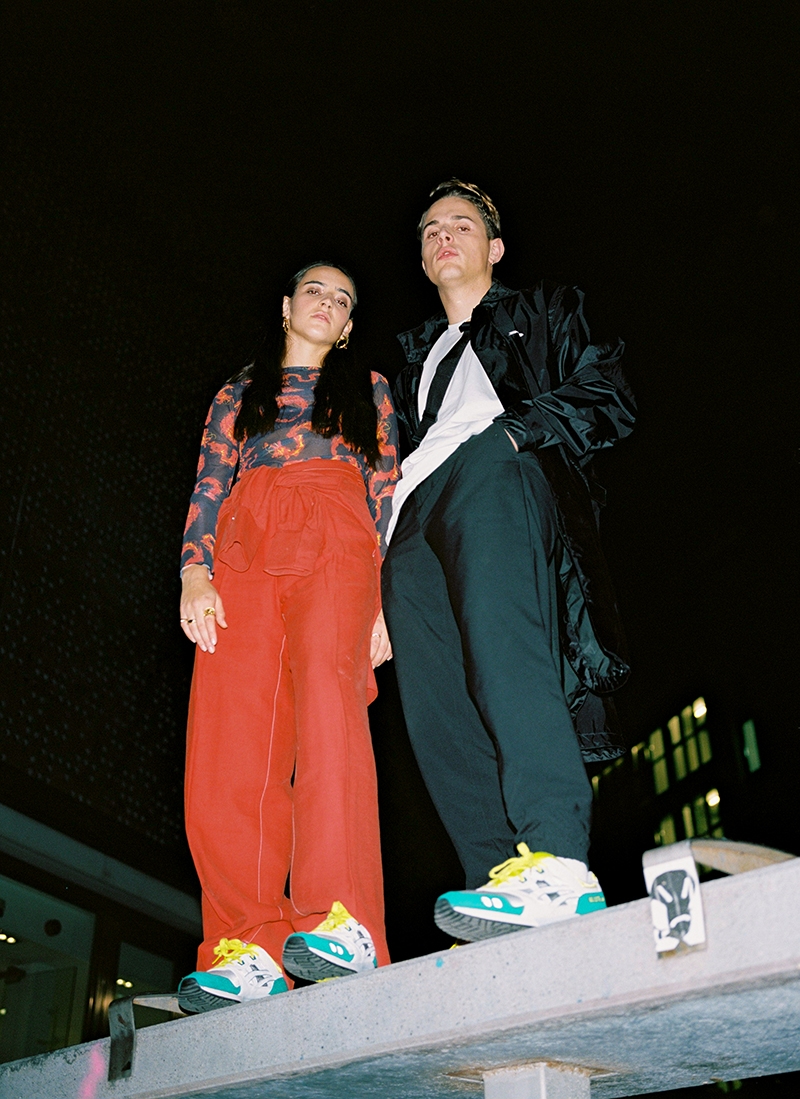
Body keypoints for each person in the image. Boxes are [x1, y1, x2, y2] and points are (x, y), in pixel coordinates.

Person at [381, 181, 636, 942]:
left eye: (461, 225)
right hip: (411, 516)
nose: (444, 236)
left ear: (494, 247)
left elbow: (609, 391)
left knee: (505, 653)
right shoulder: (412, 362)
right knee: (436, 705)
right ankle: (494, 876)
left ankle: (556, 855)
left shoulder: (544, 309)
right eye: (431, 229)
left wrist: (514, 436)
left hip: (495, 468)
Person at [177, 263, 399, 1013]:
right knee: (230, 740)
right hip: (245, 535)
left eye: (342, 300)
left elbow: (386, 491)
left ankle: (341, 921)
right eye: (315, 291)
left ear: (347, 327)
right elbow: (210, 480)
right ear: (286, 307)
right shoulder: (240, 391)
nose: (327, 303)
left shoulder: (368, 389)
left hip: (337, 528)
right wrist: (195, 571)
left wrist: (385, 602)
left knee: (331, 721)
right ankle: (248, 945)